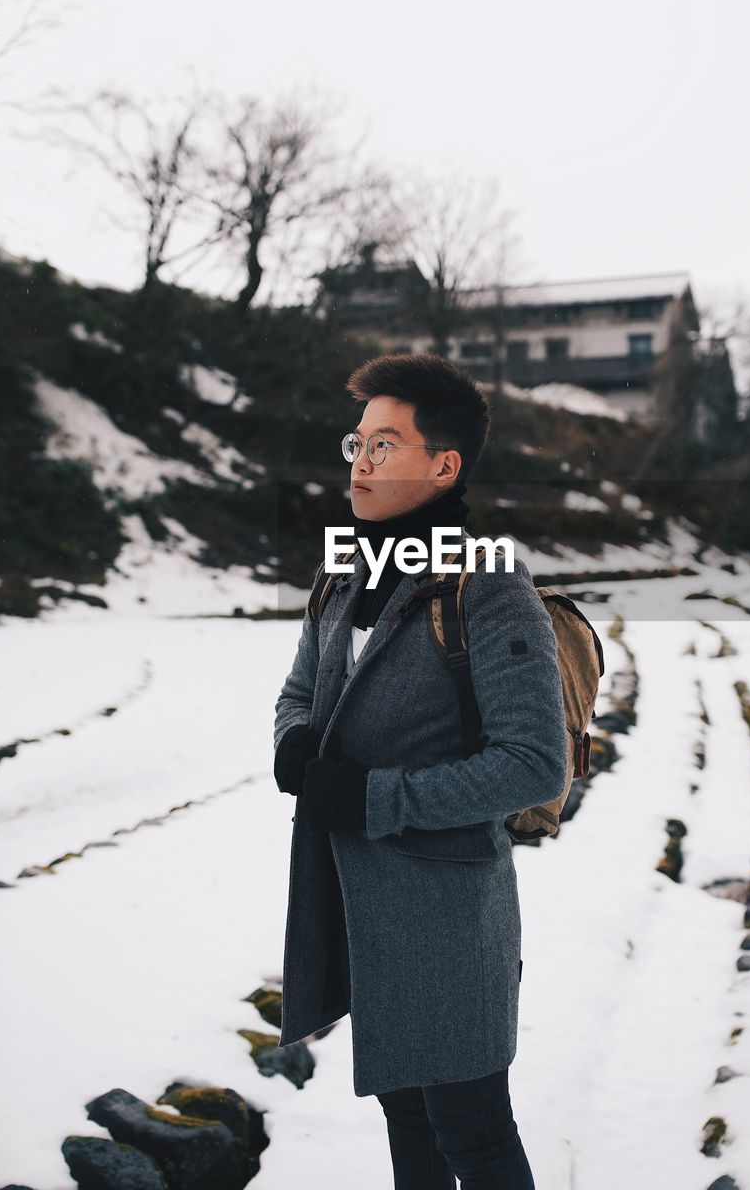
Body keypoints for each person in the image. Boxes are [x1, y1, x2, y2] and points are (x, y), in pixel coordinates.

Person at [273, 352, 567, 1189]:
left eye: (385, 444)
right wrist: (293, 741)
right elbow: (297, 693)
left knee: (470, 1129)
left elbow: (531, 763)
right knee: (405, 1118)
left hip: (446, 909)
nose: (360, 463)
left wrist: (370, 797)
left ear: (444, 464)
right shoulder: (342, 573)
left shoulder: (488, 585)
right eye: (356, 444)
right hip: (354, 900)